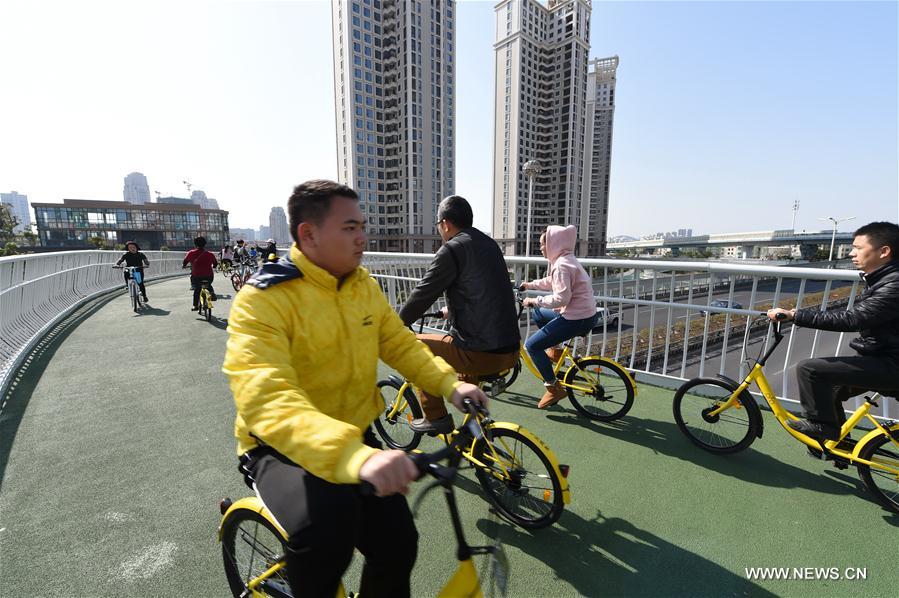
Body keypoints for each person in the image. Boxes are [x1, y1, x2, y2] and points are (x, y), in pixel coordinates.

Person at [222, 179, 489, 598]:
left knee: (398, 543)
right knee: (327, 534)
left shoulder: (363, 285)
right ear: (308, 234)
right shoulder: (263, 299)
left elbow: (399, 343)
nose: (363, 237)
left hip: (354, 438)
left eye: (362, 225)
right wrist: (356, 457)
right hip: (279, 449)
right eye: (349, 228)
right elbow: (266, 396)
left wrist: (449, 385)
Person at [398, 195, 520, 434]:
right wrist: (451, 311)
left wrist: (395, 324)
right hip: (510, 349)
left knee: (417, 349)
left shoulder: (452, 250)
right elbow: (481, 291)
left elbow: (423, 293)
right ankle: (475, 432)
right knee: (463, 381)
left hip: (480, 352)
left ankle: (436, 417)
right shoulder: (489, 244)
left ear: (445, 224)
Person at [768, 221, 899, 441]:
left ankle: (824, 429)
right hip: (885, 358)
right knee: (832, 388)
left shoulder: (893, 285)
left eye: (858, 248)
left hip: (892, 365)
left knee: (809, 369)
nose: (852, 253)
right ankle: (839, 447)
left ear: (884, 251)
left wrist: (795, 315)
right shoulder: (883, 278)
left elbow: (852, 319)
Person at [520, 225, 599, 409]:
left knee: (531, 346)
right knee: (540, 314)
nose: (540, 248)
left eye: (542, 244)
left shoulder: (561, 266)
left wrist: (534, 300)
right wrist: (529, 284)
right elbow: (551, 282)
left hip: (576, 319)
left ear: (553, 243)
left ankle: (554, 388)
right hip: (585, 315)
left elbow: (561, 298)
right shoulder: (566, 260)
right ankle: (554, 351)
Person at [182, 236, 218, 311]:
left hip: (197, 276)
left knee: (197, 289)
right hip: (209, 276)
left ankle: (195, 306)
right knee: (208, 284)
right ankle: (212, 293)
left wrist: (184, 266)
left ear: (195, 244)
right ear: (205, 244)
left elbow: (185, 261)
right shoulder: (210, 254)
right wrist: (214, 266)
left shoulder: (191, 253)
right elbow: (215, 263)